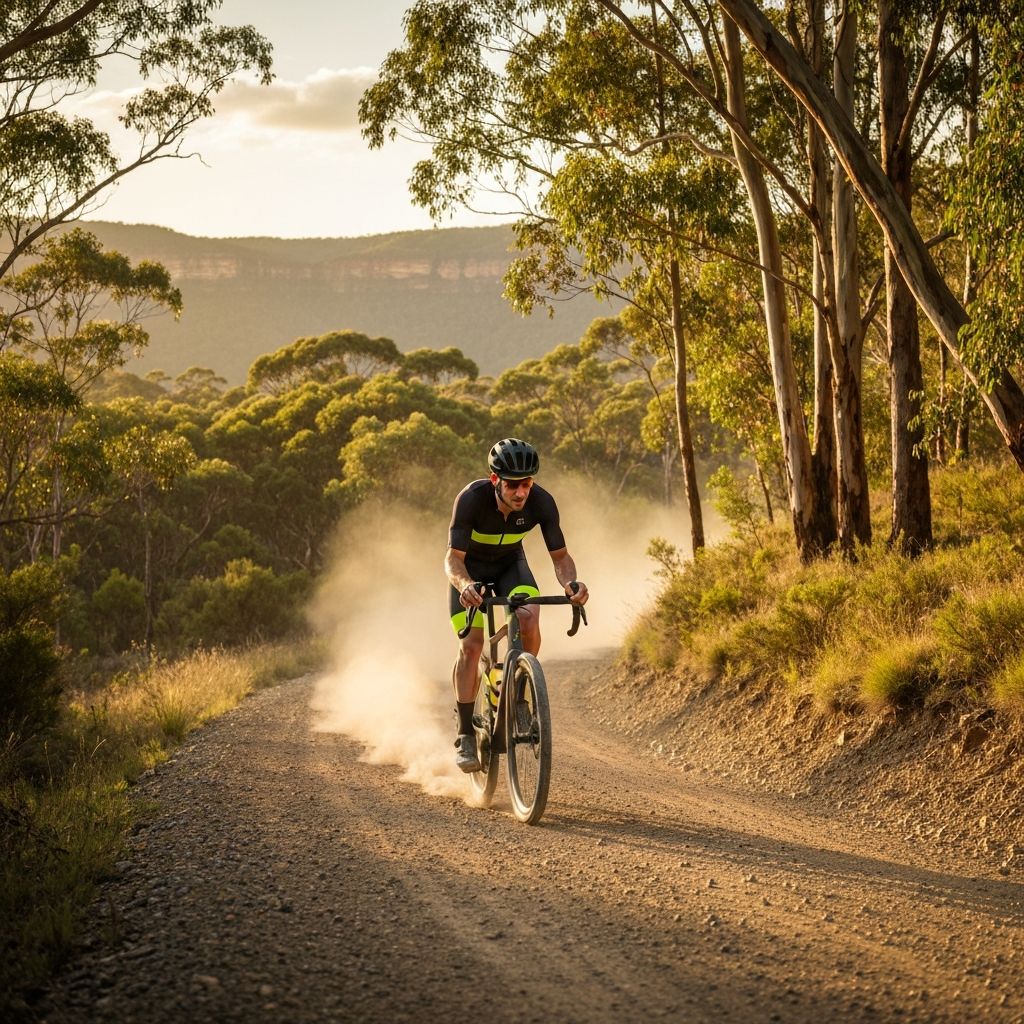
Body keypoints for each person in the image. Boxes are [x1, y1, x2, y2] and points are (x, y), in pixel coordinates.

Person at [444, 437, 589, 772]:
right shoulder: (471, 499)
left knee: (528, 615)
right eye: (512, 485)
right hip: (470, 572)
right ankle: (465, 733)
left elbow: (561, 557)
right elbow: (453, 558)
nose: (521, 492)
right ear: (495, 480)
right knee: (471, 644)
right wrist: (465, 586)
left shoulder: (542, 502)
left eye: (526, 484)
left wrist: (571, 584)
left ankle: (517, 686)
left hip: (510, 565)